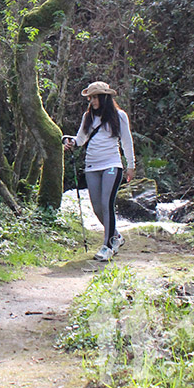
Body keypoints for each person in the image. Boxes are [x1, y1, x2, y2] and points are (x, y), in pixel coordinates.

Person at [64, 81, 135, 262]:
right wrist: (70, 141)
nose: (92, 100)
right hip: (92, 166)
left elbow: (127, 141)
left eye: (95, 97)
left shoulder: (119, 116)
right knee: (96, 207)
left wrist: (131, 165)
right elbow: (80, 139)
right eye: (90, 97)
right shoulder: (88, 117)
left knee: (106, 203)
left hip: (112, 164)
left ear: (105, 98)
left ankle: (108, 246)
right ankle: (116, 236)